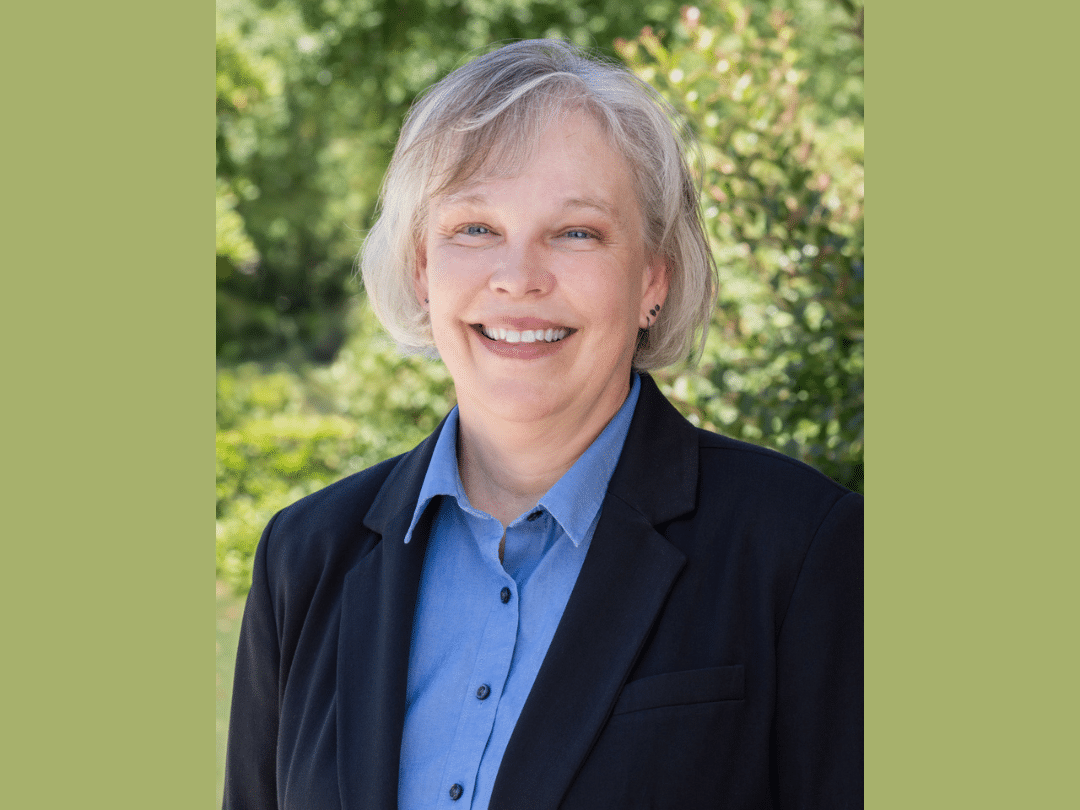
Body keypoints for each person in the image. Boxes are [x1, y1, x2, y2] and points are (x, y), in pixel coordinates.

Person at [223, 39, 862, 810]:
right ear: (423, 268)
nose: (519, 277)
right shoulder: (305, 559)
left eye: (577, 233)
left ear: (653, 277)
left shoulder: (800, 547)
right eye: (475, 229)